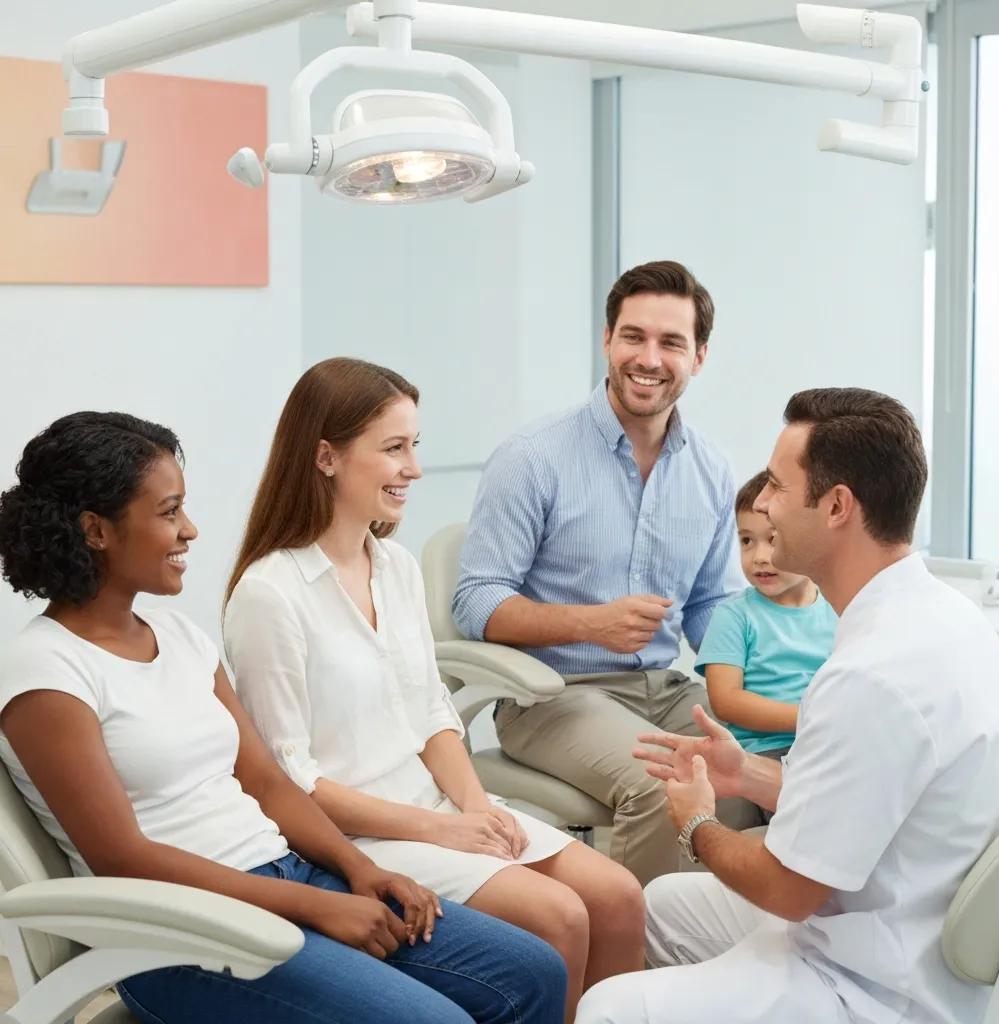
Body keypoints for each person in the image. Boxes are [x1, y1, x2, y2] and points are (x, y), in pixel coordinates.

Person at [0, 411, 567, 1024]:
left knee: (533, 972)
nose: (190, 530)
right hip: (176, 931)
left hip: (286, 874)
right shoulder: (45, 671)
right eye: (168, 512)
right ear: (96, 530)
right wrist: (310, 906)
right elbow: (123, 857)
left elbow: (266, 782)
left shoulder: (178, 636)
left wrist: (362, 871)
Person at [577, 388, 999, 1024]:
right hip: (903, 921)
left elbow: (788, 890)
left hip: (872, 985)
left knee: (609, 1007)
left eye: (779, 487)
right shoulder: (950, 617)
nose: (761, 501)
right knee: (663, 904)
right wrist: (745, 774)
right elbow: (871, 796)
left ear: (838, 506)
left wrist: (697, 823)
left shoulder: (870, 677)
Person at [222, 358, 645, 1024]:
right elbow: (288, 782)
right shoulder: (270, 595)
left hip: (441, 807)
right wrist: (445, 828)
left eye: (414, 446)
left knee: (619, 896)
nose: (414, 468)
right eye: (394, 448)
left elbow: (430, 712)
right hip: (358, 837)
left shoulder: (394, 565)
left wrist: (477, 806)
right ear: (326, 457)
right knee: (559, 917)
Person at [453, 260, 757, 885]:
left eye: (671, 342)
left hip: (664, 691)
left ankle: (719, 949)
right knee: (659, 784)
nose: (649, 357)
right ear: (607, 342)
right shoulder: (533, 458)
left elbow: (711, 607)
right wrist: (591, 623)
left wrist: (776, 670)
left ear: (698, 356)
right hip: (552, 698)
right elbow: (475, 602)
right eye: (633, 337)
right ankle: (634, 969)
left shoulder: (711, 471)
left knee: (756, 769)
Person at [694, 469, 837, 782]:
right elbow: (726, 702)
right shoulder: (734, 615)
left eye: (773, 540)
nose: (759, 557)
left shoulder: (838, 608)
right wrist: (809, 718)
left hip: (830, 743)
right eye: (747, 541)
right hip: (766, 752)